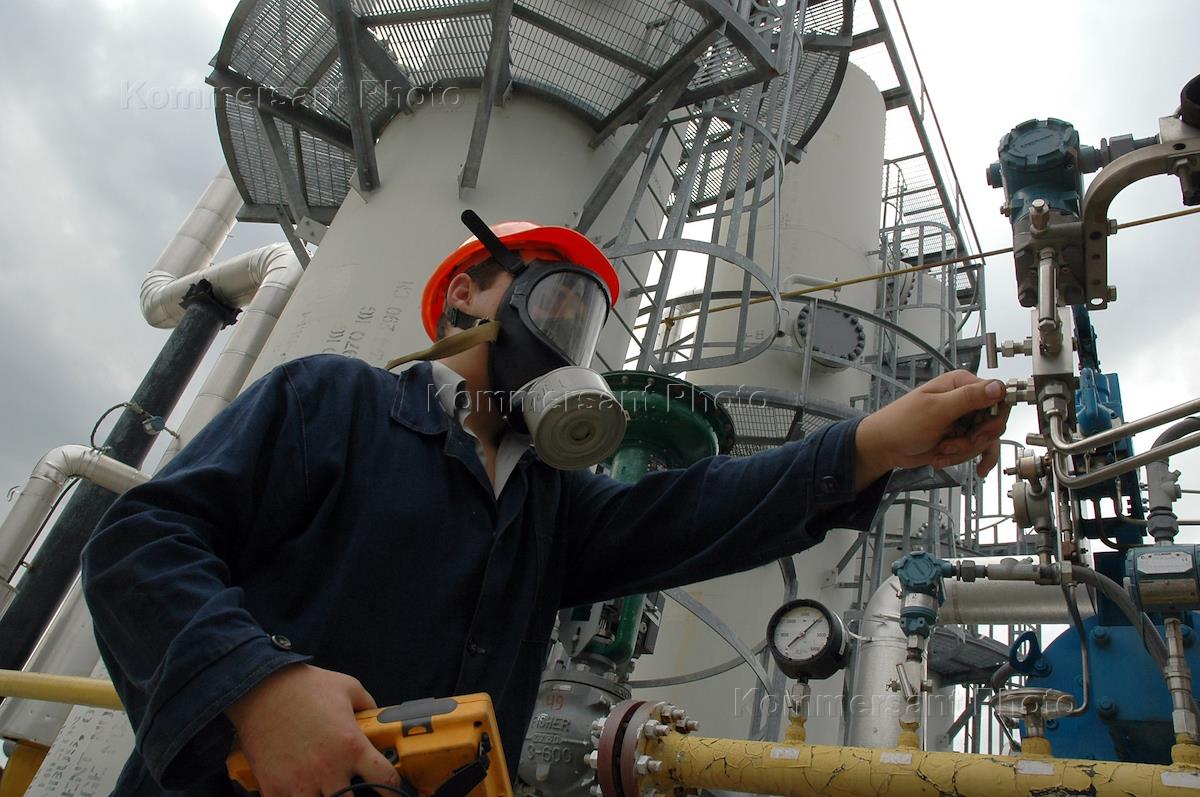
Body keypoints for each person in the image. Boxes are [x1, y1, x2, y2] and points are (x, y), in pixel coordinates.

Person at [81, 215, 1010, 797]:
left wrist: (869, 444)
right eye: (554, 299)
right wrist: (257, 687)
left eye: (585, 322)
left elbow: (694, 508)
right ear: (463, 295)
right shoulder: (335, 401)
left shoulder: (548, 501)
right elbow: (141, 540)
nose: (565, 334)